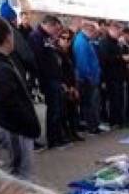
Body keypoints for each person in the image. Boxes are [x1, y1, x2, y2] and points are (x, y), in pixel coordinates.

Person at [0, 17, 38, 179]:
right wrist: (28, 125)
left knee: (18, 170)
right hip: (14, 128)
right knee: (19, 171)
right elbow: (8, 103)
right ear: (7, 38)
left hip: (10, 126)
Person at [29, 14, 66, 148]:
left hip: (54, 77)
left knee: (58, 108)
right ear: (49, 25)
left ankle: (58, 136)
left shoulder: (46, 37)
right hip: (48, 79)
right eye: (55, 29)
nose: (56, 32)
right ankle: (53, 139)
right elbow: (39, 61)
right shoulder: (36, 37)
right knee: (53, 110)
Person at [98, 21, 128, 127]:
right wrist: (121, 58)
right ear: (112, 30)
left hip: (119, 75)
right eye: (118, 31)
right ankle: (114, 120)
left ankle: (120, 120)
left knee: (120, 99)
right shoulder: (104, 42)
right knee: (113, 100)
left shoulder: (116, 42)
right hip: (111, 76)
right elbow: (105, 59)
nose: (120, 33)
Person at [73, 20, 101, 133]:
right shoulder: (81, 42)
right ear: (89, 30)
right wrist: (90, 77)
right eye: (94, 32)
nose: (95, 34)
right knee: (89, 103)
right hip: (87, 79)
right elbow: (82, 63)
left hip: (90, 77)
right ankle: (92, 126)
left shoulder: (85, 40)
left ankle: (92, 124)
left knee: (90, 103)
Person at [56, 26, 84, 142]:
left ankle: (73, 132)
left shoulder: (70, 53)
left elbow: (72, 71)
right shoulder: (56, 53)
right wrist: (66, 86)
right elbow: (58, 72)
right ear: (59, 39)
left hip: (72, 84)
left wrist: (74, 86)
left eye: (69, 39)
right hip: (63, 86)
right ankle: (65, 134)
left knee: (73, 111)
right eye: (64, 38)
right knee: (64, 112)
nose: (66, 41)